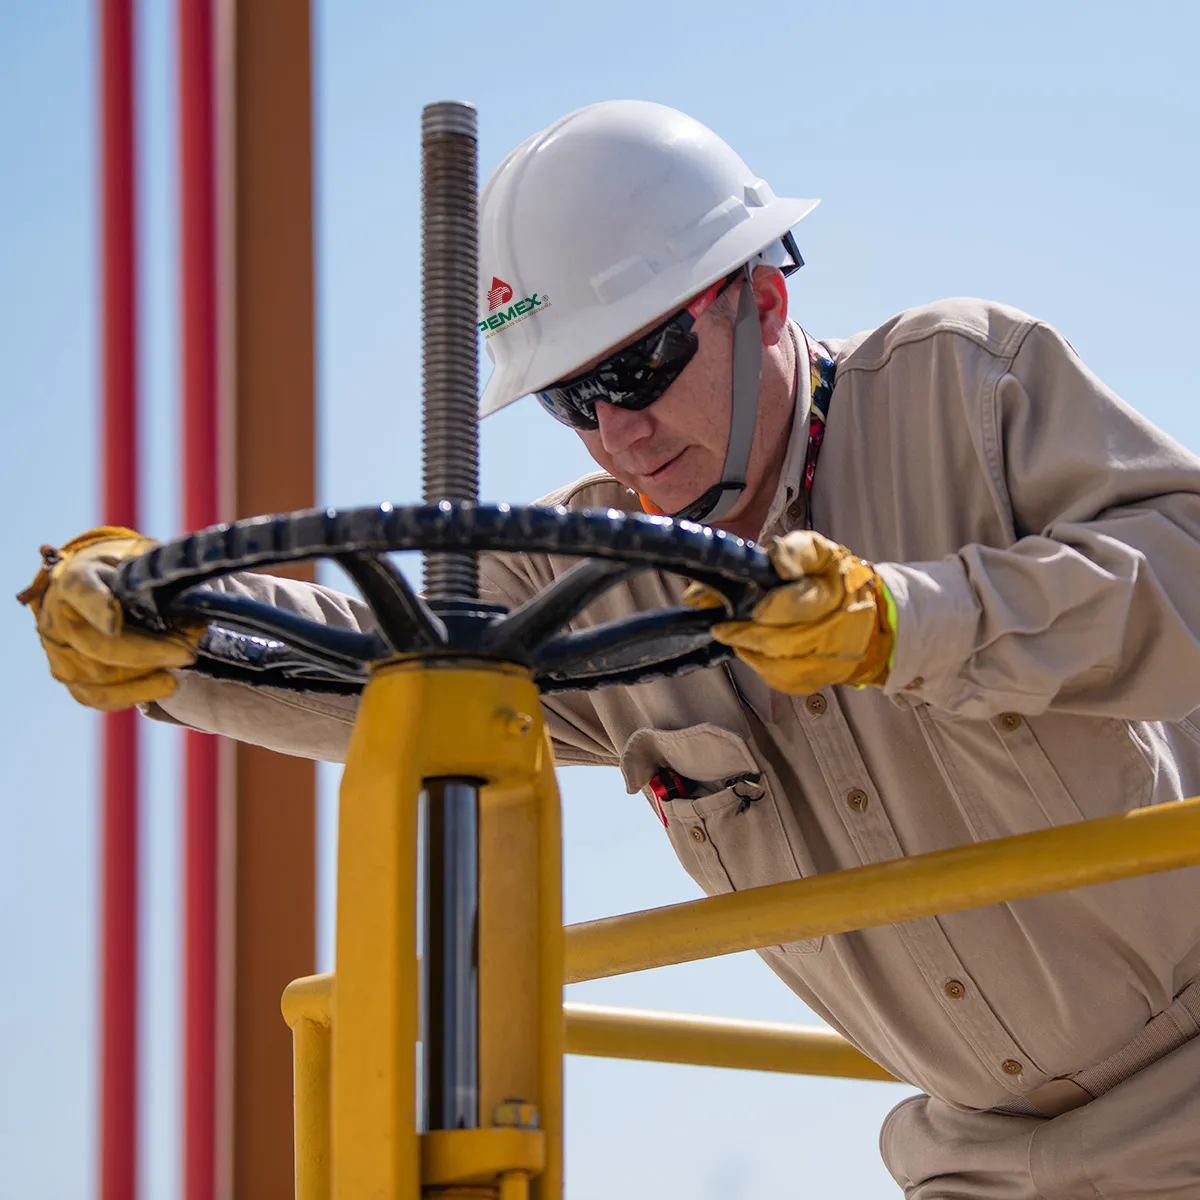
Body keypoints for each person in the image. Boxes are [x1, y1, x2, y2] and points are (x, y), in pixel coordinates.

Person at [21, 100, 1200, 1197]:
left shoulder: (962, 387)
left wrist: (902, 621)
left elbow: (1182, 571)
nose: (618, 428)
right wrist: (177, 634)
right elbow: (402, 663)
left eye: (637, 368)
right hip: (979, 1155)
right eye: (571, 398)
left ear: (764, 304)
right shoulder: (594, 570)